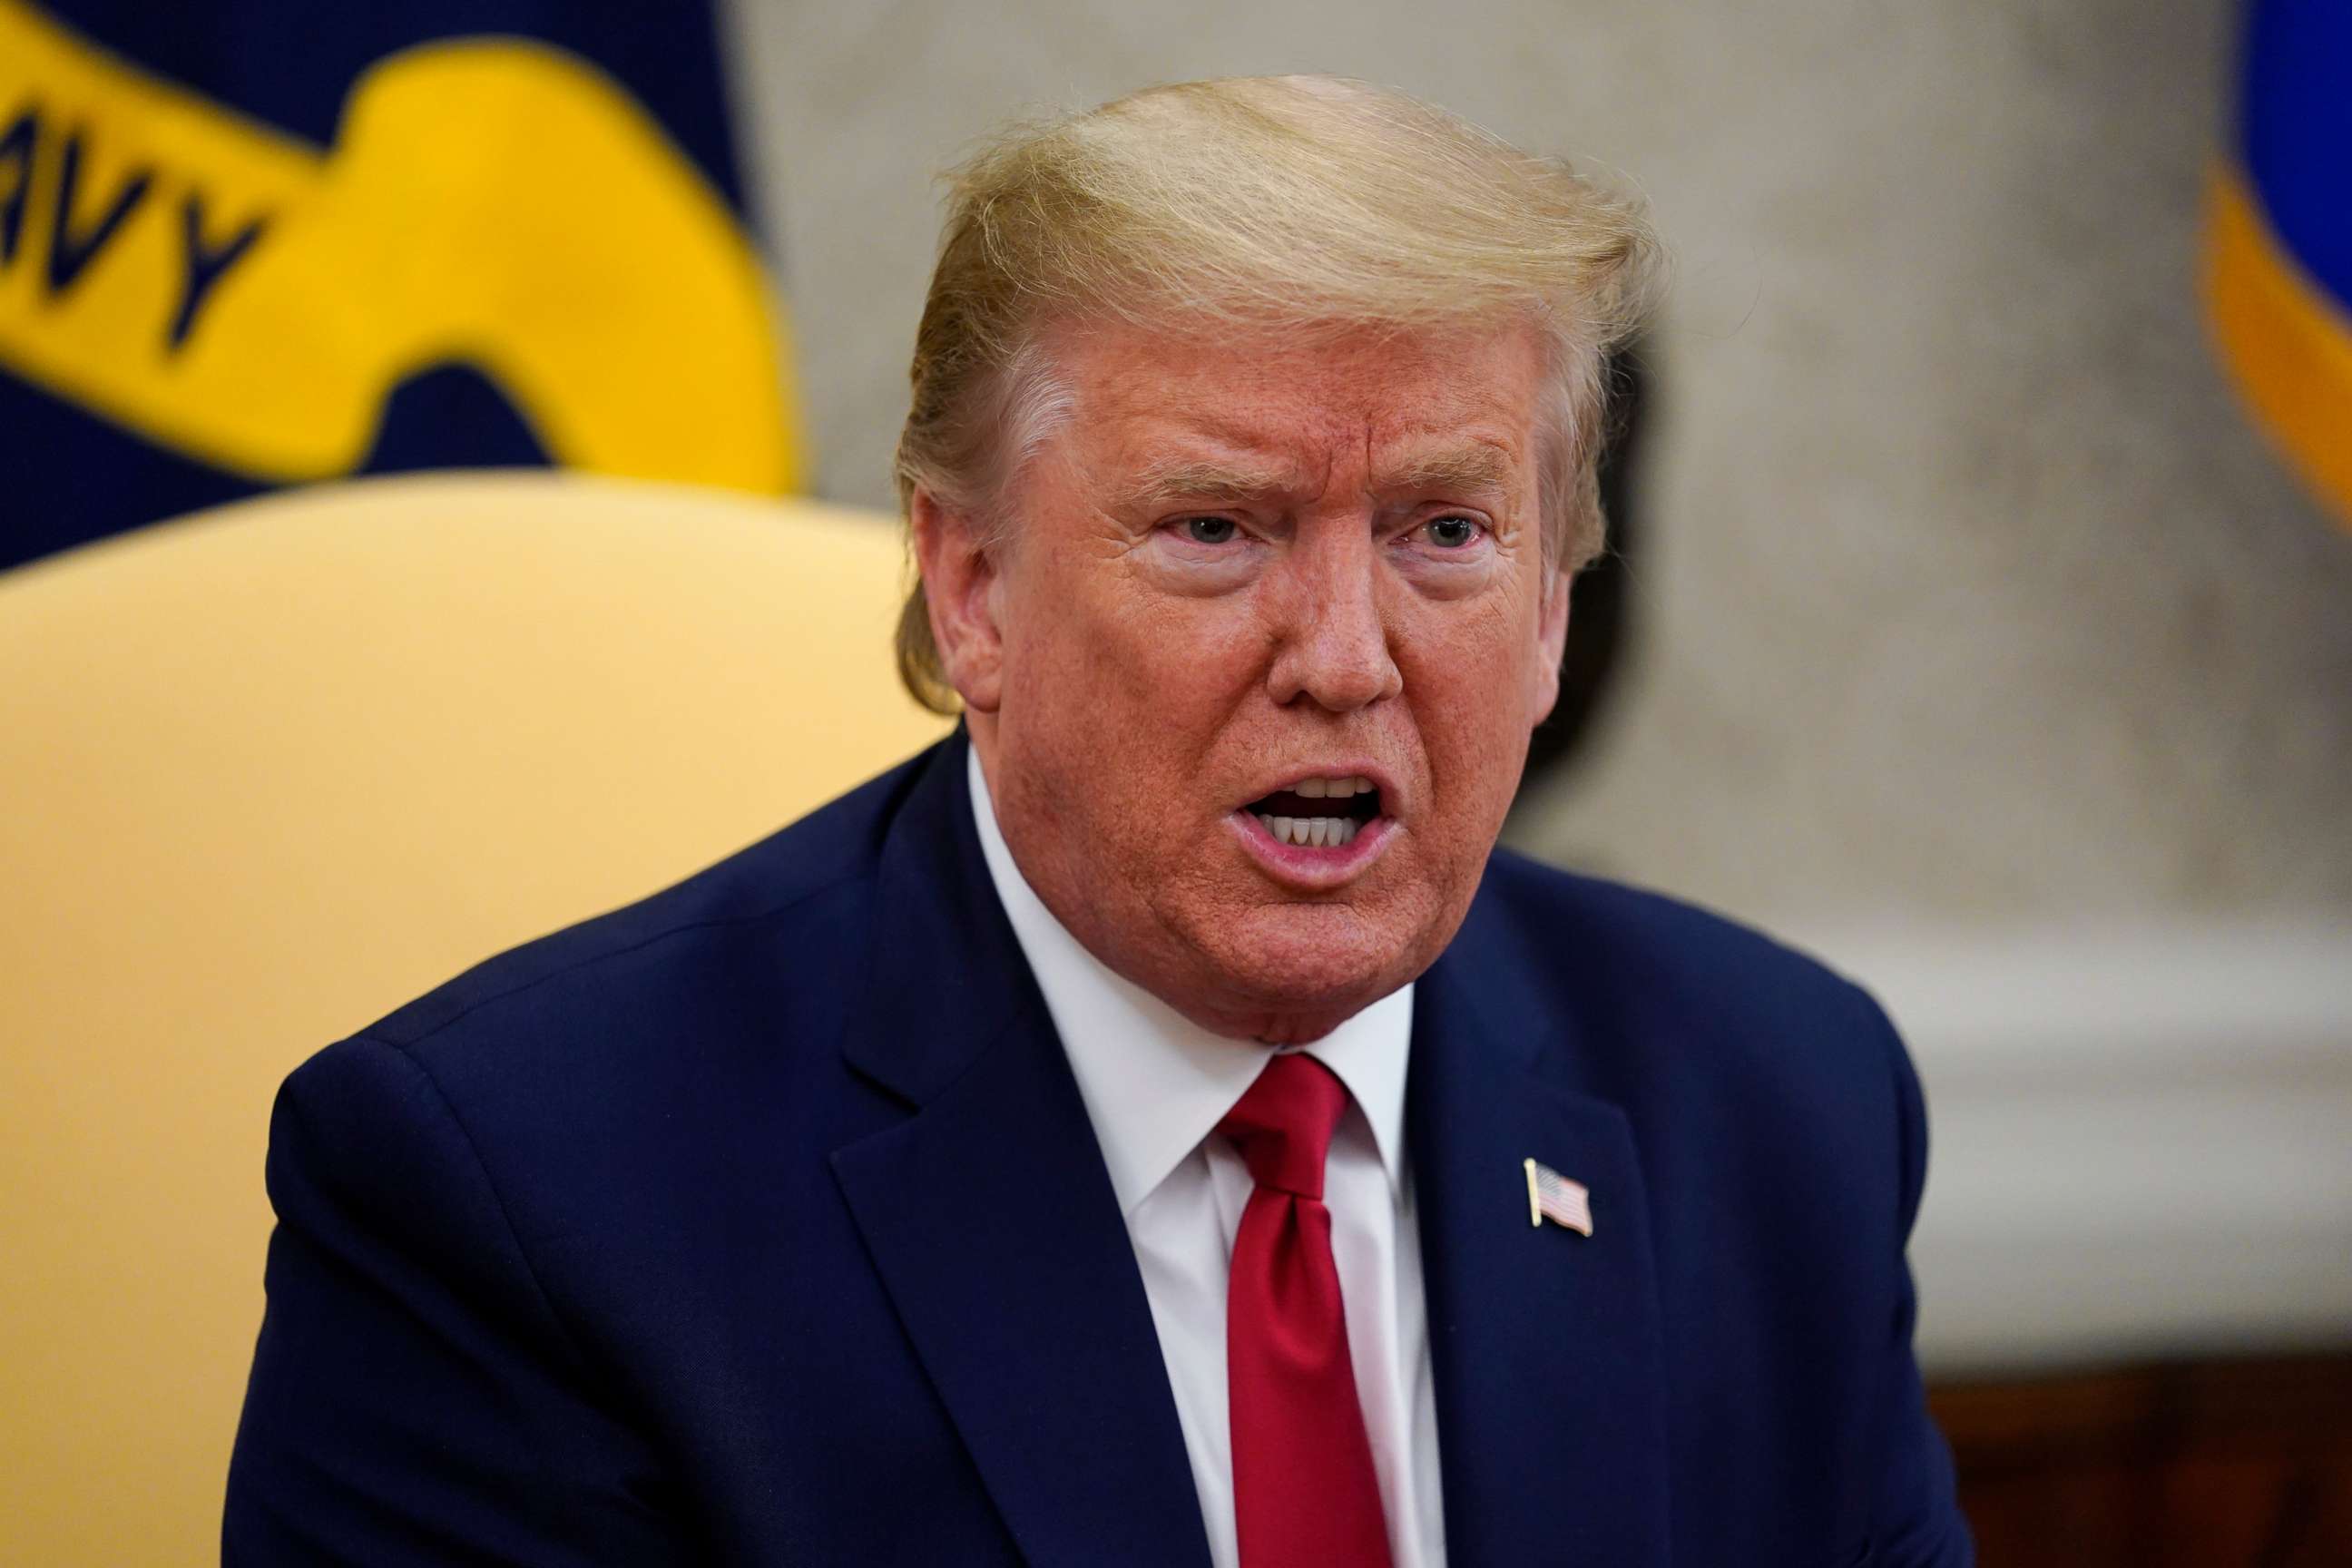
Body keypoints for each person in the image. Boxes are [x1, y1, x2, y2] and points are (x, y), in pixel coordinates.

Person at [225, 75, 1972, 1567]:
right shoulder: (519, 1205)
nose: (1347, 660)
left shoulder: (1776, 1111)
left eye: (1446, 530)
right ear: (971, 588)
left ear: (1553, 617)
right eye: (1219, 528)